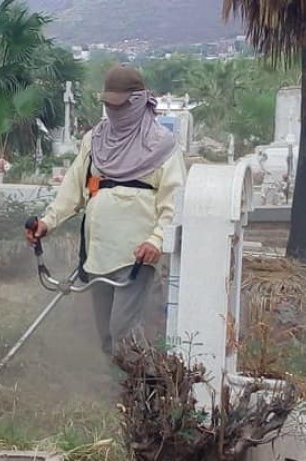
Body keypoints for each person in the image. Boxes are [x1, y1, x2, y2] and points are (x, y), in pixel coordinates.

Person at [25, 65, 186, 356]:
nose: (113, 112)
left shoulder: (162, 146)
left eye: (119, 106)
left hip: (136, 255)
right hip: (98, 252)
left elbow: (173, 201)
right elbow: (74, 186)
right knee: (106, 333)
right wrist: (48, 222)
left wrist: (157, 240)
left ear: (137, 102)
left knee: (122, 329)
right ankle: (122, 393)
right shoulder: (95, 140)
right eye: (108, 106)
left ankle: (143, 390)